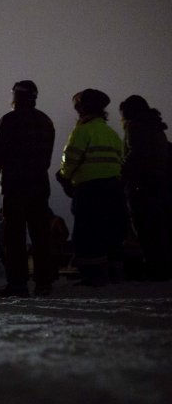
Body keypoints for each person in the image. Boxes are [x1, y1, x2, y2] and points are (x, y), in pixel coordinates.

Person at [0, 80, 56, 297]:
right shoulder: (45, 121)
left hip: (14, 185)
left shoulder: (9, 120)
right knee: (41, 234)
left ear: (16, 96)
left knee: (14, 236)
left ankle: (18, 283)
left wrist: (2, 166)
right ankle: (44, 282)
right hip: (39, 183)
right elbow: (47, 157)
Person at [56, 89, 126, 286]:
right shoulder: (111, 133)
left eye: (78, 106)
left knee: (87, 234)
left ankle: (92, 276)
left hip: (89, 191)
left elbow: (70, 160)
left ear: (83, 107)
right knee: (110, 231)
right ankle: (114, 274)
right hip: (113, 189)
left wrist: (62, 176)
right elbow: (120, 161)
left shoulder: (82, 131)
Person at [119, 95, 169, 281]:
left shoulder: (135, 127)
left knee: (145, 229)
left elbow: (135, 155)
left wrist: (122, 173)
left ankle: (154, 269)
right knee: (158, 229)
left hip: (141, 185)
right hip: (158, 185)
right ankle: (162, 268)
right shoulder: (156, 128)